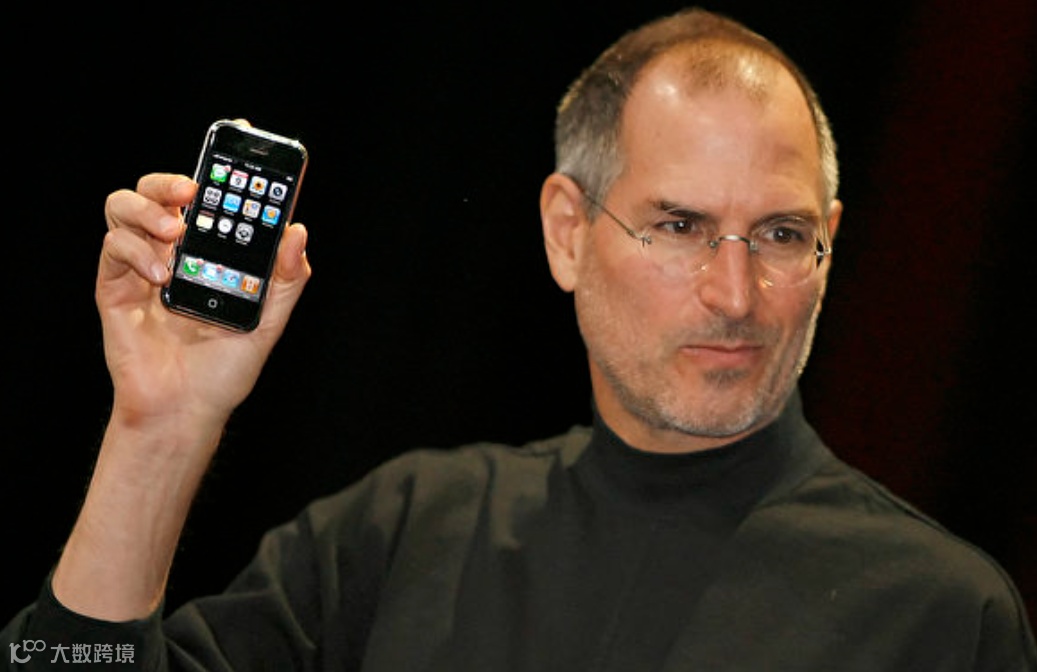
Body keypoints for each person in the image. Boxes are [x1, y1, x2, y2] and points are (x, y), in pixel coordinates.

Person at [3, 7, 1035, 671]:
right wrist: (158, 428)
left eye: (779, 235)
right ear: (565, 232)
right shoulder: (401, 536)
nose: (735, 294)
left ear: (830, 242)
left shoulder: (939, 616)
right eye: (678, 226)